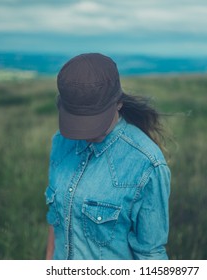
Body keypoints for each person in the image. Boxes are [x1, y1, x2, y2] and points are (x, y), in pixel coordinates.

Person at [45, 53, 171, 260]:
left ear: (118, 103)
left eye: (94, 122)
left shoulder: (147, 164)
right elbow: (55, 220)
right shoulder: (60, 142)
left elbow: (150, 253)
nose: (85, 133)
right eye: (78, 123)